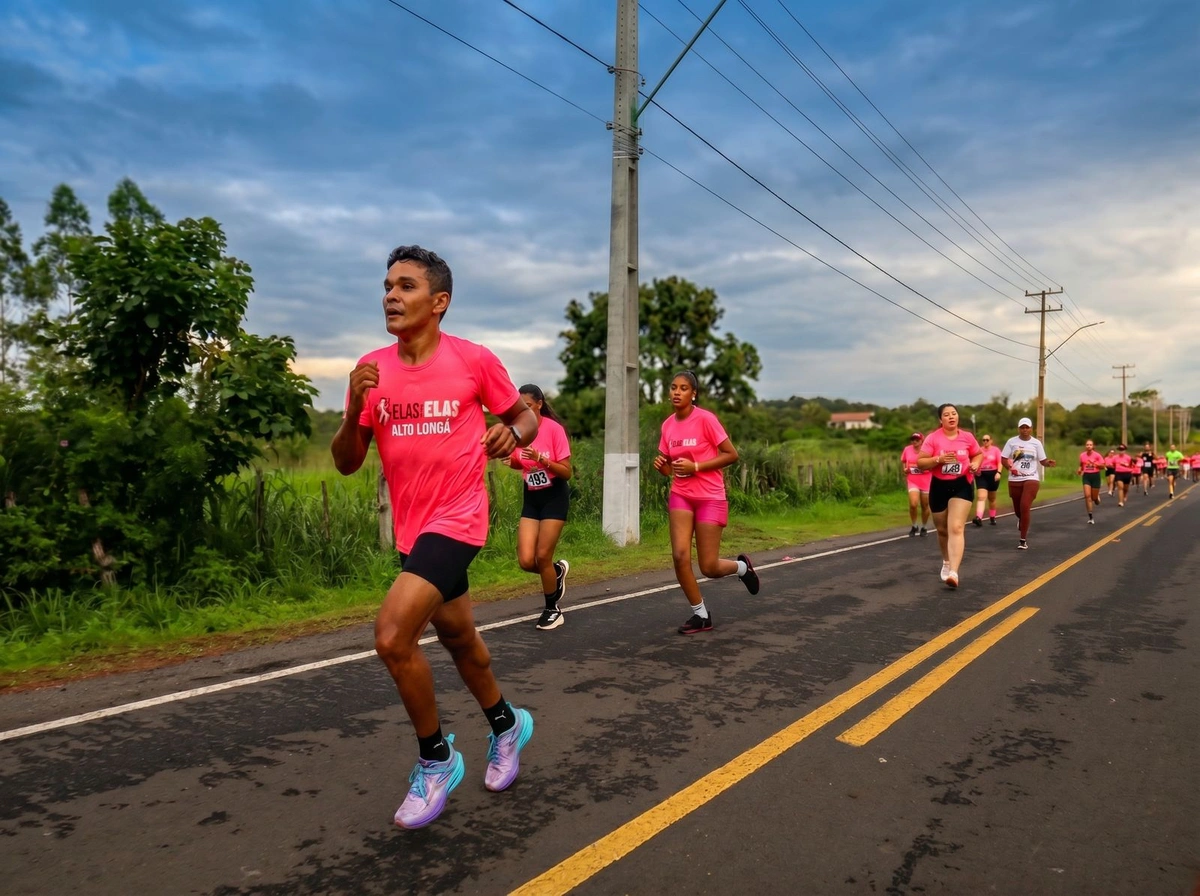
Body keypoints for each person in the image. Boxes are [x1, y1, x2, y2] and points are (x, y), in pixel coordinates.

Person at [331, 245, 537, 830]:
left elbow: (523, 416)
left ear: (439, 302)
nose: (390, 296)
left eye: (406, 286)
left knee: (393, 636)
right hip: (413, 531)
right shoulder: (372, 368)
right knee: (460, 641)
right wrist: (351, 409)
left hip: (460, 519)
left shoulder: (472, 360)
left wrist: (510, 433)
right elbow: (347, 462)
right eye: (387, 286)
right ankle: (506, 724)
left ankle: (436, 759)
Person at [653, 370, 759, 634]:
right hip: (681, 495)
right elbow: (671, 469)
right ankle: (700, 614)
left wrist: (696, 465)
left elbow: (731, 454)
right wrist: (663, 468)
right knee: (679, 556)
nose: (677, 392)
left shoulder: (706, 420)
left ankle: (742, 568)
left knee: (709, 567)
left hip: (710, 496)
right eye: (673, 387)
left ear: (694, 394)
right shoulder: (668, 425)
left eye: (683, 388)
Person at [503, 384, 573, 630]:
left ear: (540, 404)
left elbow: (567, 472)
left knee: (542, 555)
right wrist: (509, 460)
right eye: (521, 407)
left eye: (529, 406)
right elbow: (518, 463)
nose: (525, 411)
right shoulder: (518, 432)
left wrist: (543, 460)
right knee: (525, 560)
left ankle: (552, 609)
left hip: (554, 495)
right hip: (531, 497)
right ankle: (555, 573)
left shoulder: (554, 430)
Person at [916, 403, 982, 588]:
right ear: (940, 419)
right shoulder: (933, 439)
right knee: (942, 529)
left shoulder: (967, 437)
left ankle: (954, 572)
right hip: (939, 486)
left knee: (956, 527)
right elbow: (921, 463)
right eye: (947, 415)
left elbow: (977, 454)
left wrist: (975, 464)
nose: (951, 417)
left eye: (954, 414)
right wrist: (939, 459)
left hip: (962, 484)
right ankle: (946, 561)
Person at [999, 417, 1056, 550]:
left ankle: (1023, 540)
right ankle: (1021, 520)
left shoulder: (1036, 443)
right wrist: (1010, 468)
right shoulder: (1012, 442)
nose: (1025, 430)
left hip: (1031, 478)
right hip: (1015, 479)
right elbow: (1003, 458)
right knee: (1019, 511)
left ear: (1031, 428)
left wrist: (1048, 463)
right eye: (1022, 427)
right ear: (1019, 429)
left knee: (1025, 506)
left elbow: (1042, 460)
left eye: (1027, 427)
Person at [900, 432, 931, 536]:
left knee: (925, 505)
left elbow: (933, 463)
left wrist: (926, 467)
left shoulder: (927, 450)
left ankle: (924, 527)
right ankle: (914, 526)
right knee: (913, 504)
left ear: (922, 441)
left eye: (917, 440)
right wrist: (904, 469)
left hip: (926, 480)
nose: (914, 442)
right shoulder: (907, 449)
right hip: (913, 480)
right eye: (912, 439)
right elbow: (904, 461)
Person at [973, 433, 1003, 527]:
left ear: (991, 441)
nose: (985, 442)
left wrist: (999, 472)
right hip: (981, 475)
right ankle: (978, 518)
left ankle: (992, 517)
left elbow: (1000, 462)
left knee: (992, 498)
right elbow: (974, 461)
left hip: (993, 475)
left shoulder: (996, 450)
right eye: (983, 440)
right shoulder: (979, 450)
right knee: (981, 497)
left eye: (987, 440)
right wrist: (975, 468)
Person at [1077, 439, 1105, 525]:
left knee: (1094, 498)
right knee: (1087, 496)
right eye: (1087, 445)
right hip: (1086, 477)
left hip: (1095, 476)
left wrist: (1096, 464)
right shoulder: (1082, 455)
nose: (1089, 446)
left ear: (1093, 446)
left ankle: (1097, 498)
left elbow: (1103, 466)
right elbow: (1081, 465)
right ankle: (1090, 517)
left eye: (1090, 445)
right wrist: (1080, 470)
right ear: (1085, 446)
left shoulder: (1097, 455)